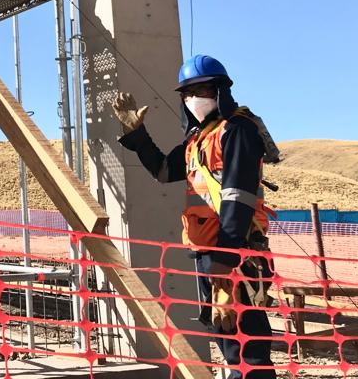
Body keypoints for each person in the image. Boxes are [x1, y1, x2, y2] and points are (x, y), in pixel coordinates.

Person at [112, 55, 281, 379]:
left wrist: (225, 258)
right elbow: (163, 170)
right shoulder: (197, 140)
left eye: (201, 90)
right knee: (227, 337)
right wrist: (137, 134)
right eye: (187, 93)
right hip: (208, 252)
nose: (193, 98)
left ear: (220, 91)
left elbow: (239, 197)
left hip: (236, 252)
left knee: (248, 344)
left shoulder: (237, 130)